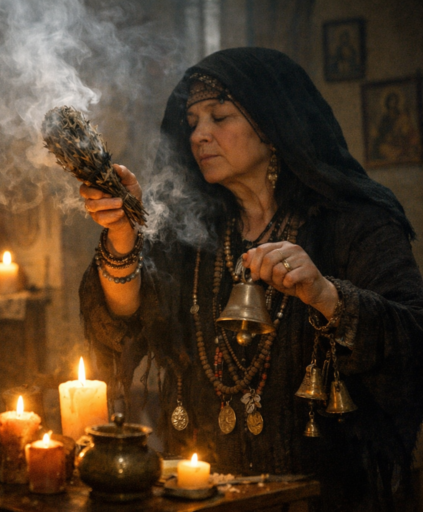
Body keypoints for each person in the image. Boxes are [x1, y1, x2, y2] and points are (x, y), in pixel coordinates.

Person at [79, 48, 423, 510]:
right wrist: (124, 234)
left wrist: (326, 295)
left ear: (273, 125)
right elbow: (124, 322)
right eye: (192, 122)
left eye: (219, 117)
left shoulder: (352, 221)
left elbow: (413, 341)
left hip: (323, 495)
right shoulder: (194, 229)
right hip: (205, 493)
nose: (199, 135)